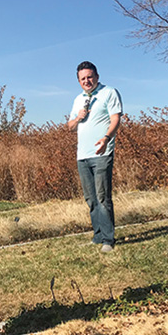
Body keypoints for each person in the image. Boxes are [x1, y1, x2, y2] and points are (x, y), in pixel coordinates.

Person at [67, 61, 122, 254]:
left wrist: (107, 138)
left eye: (90, 77)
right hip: (82, 155)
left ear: (97, 77)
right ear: (79, 81)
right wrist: (78, 118)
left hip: (102, 152)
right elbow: (70, 126)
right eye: (83, 79)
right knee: (90, 198)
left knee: (102, 196)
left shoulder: (109, 93)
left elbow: (115, 118)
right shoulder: (77, 100)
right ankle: (98, 235)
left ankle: (108, 238)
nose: (87, 81)